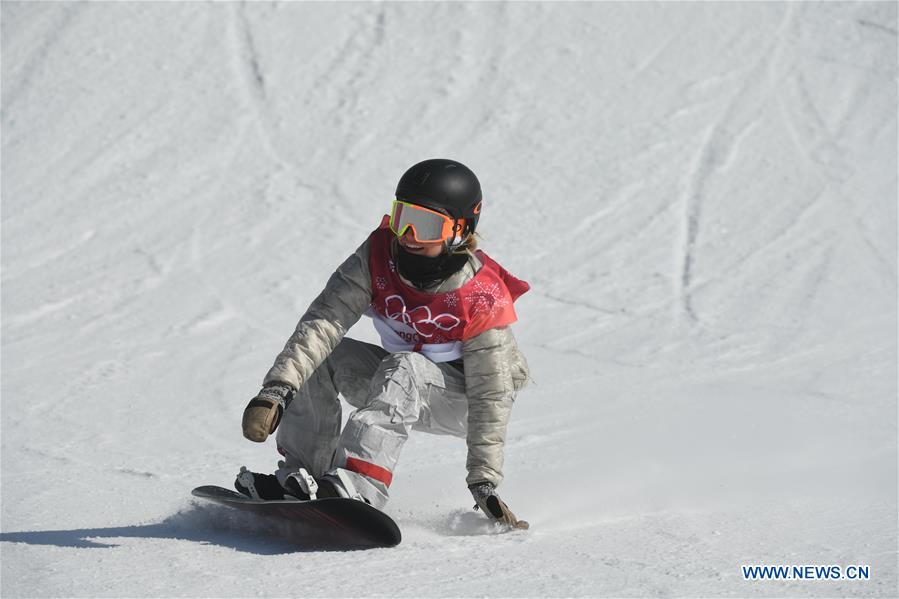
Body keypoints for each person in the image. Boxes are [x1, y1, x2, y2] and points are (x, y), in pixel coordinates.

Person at [236, 158, 531, 526]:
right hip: (399, 384)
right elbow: (325, 320)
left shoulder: (480, 293)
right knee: (326, 356)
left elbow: (493, 392)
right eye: (401, 215)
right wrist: (277, 389)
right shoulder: (378, 257)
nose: (407, 234)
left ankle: (360, 484)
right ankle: (305, 477)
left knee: (407, 366)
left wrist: (483, 479)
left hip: (462, 402)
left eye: (425, 225)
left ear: (458, 229)